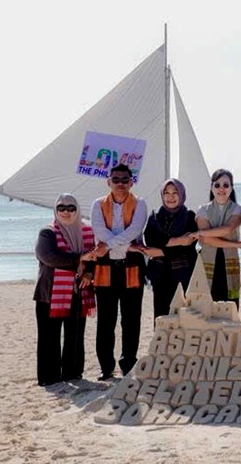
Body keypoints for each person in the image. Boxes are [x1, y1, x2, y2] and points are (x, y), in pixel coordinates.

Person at [90, 163, 148, 380]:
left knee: (131, 319)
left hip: (132, 266)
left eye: (125, 180)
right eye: (116, 179)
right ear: (109, 182)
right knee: (106, 319)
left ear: (132, 182)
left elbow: (135, 230)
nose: (120, 184)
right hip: (105, 267)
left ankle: (128, 364)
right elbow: (99, 231)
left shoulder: (140, 204)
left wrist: (110, 245)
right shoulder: (98, 204)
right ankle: (106, 367)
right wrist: (125, 246)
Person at [34, 194, 98, 386]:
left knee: (75, 336)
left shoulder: (87, 231)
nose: (66, 212)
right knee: (49, 337)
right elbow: (48, 257)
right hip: (50, 293)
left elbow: (95, 257)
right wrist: (80, 258)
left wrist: (89, 273)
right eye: (61, 208)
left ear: (77, 210)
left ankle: (72, 373)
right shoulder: (47, 232)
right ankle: (49, 377)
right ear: (55, 210)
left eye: (71, 208)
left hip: (78, 290)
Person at [139, 178, 198, 318]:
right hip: (160, 274)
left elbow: (188, 247)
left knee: (184, 316)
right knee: (161, 316)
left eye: (175, 192)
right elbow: (150, 240)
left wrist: (160, 250)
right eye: (166, 193)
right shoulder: (155, 217)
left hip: (184, 273)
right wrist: (178, 241)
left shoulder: (190, 216)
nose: (170, 197)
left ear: (182, 194)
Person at [195, 169, 241, 308]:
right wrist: (236, 245)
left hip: (229, 261)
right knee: (206, 305)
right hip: (207, 261)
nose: (221, 189)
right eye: (217, 185)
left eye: (226, 185)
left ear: (231, 188)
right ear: (211, 187)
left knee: (230, 305)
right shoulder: (202, 209)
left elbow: (228, 229)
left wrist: (202, 233)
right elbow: (206, 240)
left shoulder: (238, 209)